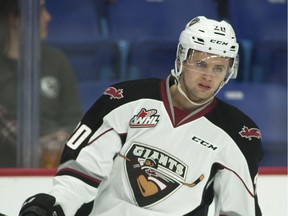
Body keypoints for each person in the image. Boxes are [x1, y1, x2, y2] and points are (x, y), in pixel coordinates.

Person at [19, 16, 263, 215]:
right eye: (200, 64)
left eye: (218, 68)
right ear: (181, 59)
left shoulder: (237, 134)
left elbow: (239, 210)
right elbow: (83, 171)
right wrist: (55, 206)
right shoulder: (126, 100)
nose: (208, 76)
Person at [0, 0, 83, 167]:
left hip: (55, 161)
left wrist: (62, 138)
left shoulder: (56, 60)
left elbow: (75, 117)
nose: (48, 17)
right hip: (8, 168)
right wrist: (39, 144)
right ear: (15, 19)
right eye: (41, 11)